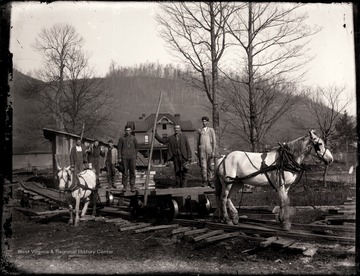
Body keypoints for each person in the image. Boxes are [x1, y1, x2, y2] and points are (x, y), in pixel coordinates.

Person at [117, 125, 138, 192]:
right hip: (124, 157)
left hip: (132, 157)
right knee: (125, 172)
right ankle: (125, 186)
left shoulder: (134, 138)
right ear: (125, 131)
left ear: (131, 131)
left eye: (129, 130)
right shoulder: (121, 138)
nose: (128, 132)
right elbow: (119, 148)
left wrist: (135, 155)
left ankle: (132, 186)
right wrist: (119, 157)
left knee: (132, 171)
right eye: (126, 130)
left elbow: (137, 147)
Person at [197, 116, 216, 188]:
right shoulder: (200, 131)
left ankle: (210, 181)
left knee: (210, 166)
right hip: (202, 151)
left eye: (205, 121)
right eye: (203, 121)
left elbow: (214, 141)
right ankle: (204, 181)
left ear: (208, 122)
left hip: (209, 150)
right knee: (203, 166)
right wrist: (198, 152)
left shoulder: (211, 130)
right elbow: (197, 142)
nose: (204, 122)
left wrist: (213, 151)